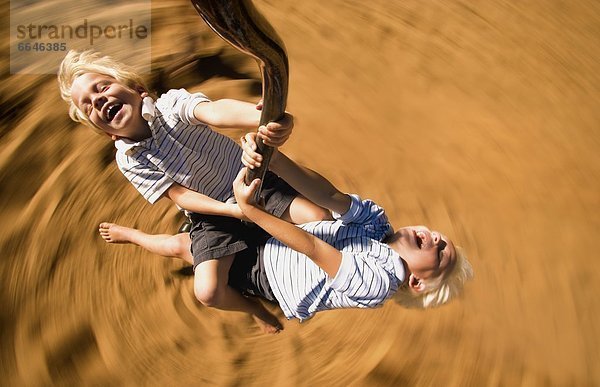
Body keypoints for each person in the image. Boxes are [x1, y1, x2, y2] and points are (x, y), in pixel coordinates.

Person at [57, 50, 330, 333]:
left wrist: (260, 118)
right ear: (107, 133)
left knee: (318, 216)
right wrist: (232, 210)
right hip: (211, 214)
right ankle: (254, 309)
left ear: (138, 90)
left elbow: (214, 111)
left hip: (250, 180)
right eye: (88, 106)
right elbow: (179, 195)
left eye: (102, 87)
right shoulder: (129, 159)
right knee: (208, 291)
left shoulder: (171, 104)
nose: (97, 100)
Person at [99, 133, 473, 327]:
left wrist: (247, 209)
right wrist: (276, 158)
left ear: (417, 283)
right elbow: (328, 194)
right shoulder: (378, 221)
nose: (438, 239)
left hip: (271, 275)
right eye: (441, 237)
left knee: (187, 254)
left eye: (440, 254)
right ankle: (219, 222)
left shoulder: (378, 285)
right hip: (278, 235)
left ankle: (134, 237)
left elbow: (313, 248)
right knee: (319, 211)